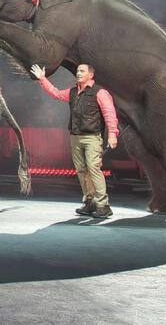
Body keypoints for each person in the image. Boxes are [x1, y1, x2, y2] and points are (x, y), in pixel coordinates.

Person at [30, 63, 119, 218]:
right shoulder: (73, 92)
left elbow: (109, 113)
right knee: (81, 170)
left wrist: (112, 134)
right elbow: (56, 93)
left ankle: (103, 205)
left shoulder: (100, 92)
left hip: (92, 137)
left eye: (82, 71)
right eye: (78, 71)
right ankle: (90, 202)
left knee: (93, 168)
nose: (78, 73)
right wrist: (43, 79)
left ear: (90, 75)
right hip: (76, 137)